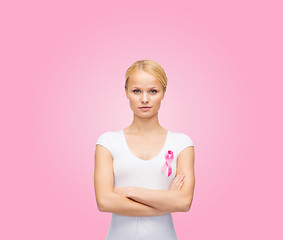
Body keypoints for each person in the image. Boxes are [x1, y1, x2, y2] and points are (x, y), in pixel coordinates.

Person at [94, 59, 195, 239]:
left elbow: (183, 202)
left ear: (164, 92)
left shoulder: (181, 143)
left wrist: (129, 191)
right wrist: (166, 202)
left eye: (153, 91)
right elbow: (104, 201)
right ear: (126, 92)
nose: (145, 99)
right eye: (137, 91)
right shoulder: (108, 142)